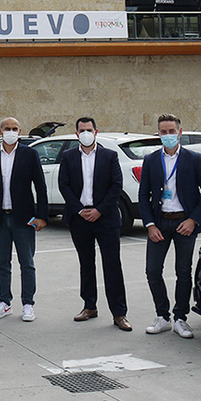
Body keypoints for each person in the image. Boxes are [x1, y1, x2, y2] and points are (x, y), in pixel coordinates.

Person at [139, 113, 201, 339]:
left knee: (183, 272)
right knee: (152, 271)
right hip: (160, 223)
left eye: (172, 131)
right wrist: (150, 225)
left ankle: (181, 318)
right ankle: (162, 316)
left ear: (179, 132)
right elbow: (143, 195)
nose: (168, 135)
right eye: (164, 132)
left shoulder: (194, 159)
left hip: (185, 223)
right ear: (158, 134)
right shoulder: (151, 160)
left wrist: (193, 220)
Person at [58, 117, 131, 331]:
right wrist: (80, 209)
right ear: (76, 134)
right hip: (79, 219)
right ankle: (89, 306)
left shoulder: (110, 156)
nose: (86, 133)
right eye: (82, 130)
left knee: (112, 265)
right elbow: (64, 185)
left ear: (96, 132)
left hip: (105, 218)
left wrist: (99, 210)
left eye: (89, 129)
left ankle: (119, 313)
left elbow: (116, 186)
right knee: (86, 263)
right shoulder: (68, 156)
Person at [0, 116, 48, 322]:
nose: (11, 131)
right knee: (2, 264)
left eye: (15, 128)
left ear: (20, 131)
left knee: (27, 263)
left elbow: (41, 186)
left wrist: (42, 216)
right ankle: (5, 302)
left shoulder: (30, 154)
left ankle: (28, 303)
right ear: (0, 132)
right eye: (7, 128)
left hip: (24, 219)